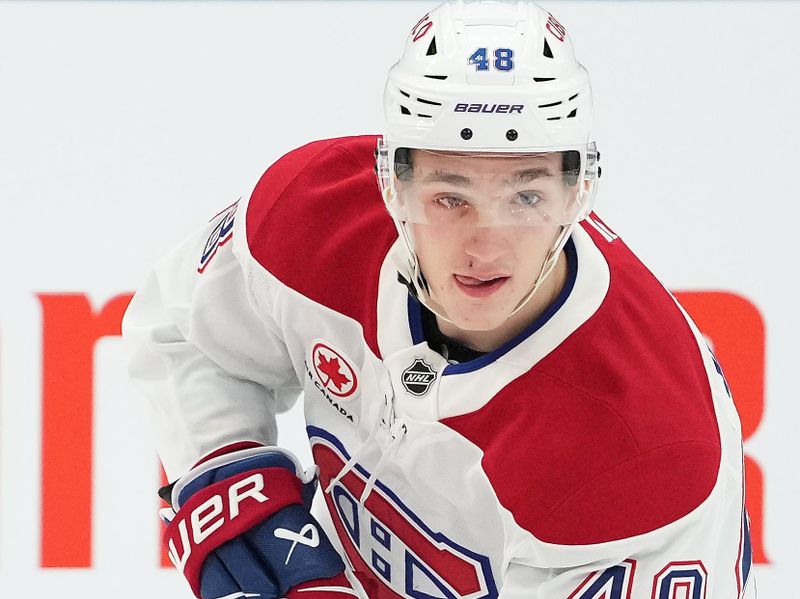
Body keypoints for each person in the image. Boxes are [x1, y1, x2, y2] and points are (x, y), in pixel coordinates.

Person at [122, 1, 755, 598]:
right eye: (450, 197)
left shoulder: (641, 455)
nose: (486, 246)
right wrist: (226, 464)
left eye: (525, 198)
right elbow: (186, 335)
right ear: (391, 182)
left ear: (575, 195)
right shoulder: (310, 215)